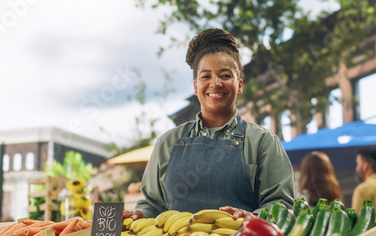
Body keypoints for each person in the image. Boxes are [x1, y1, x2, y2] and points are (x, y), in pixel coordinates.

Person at [124, 28, 294, 222]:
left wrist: (252, 217)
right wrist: (139, 214)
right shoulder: (167, 143)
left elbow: (282, 207)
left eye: (225, 75)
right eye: (206, 76)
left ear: (239, 85)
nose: (216, 83)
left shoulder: (263, 143)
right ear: (196, 86)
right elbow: (151, 204)